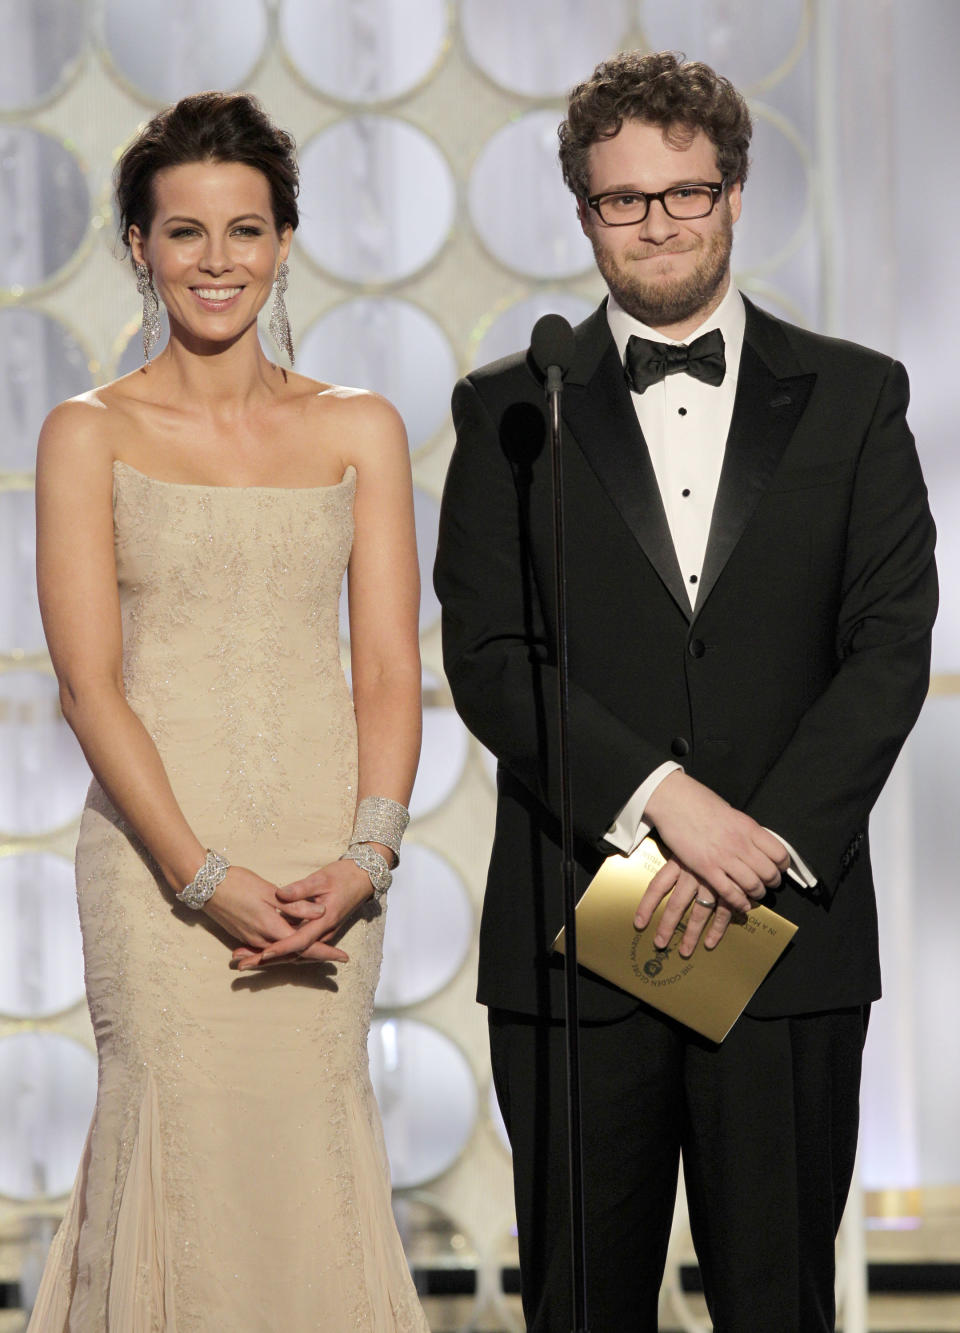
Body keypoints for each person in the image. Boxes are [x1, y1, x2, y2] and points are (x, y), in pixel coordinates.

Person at [434, 50, 937, 1333]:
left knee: (778, 1302)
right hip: (576, 936)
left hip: (787, 936)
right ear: (583, 211)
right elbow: (491, 659)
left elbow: (890, 642)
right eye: (624, 199)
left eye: (686, 192)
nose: (658, 223)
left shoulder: (857, 394)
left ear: (734, 191)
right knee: (581, 1304)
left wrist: (754, 847)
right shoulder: (510, 410)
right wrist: (666, 806)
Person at [29, 92, 428, 1331]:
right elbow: (90, 687)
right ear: (140, 246)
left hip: (327, 870)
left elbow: (389, 672)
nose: (219, 261)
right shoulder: (86, 433)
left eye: (246, 230)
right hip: (160, 871)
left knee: (311, 1160)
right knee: (175, 1147)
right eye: (187, 232)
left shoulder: (361, 425)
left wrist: (367, 856)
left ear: (286, 242)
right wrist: (201, 875)